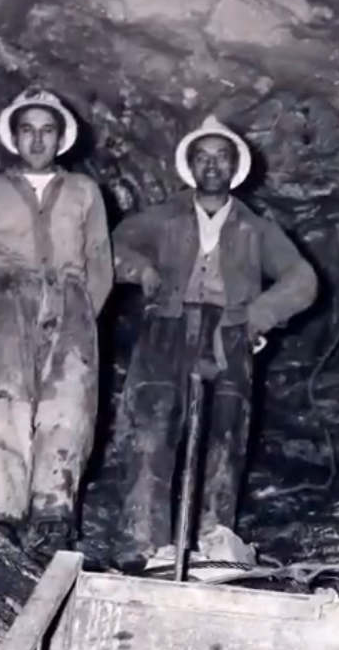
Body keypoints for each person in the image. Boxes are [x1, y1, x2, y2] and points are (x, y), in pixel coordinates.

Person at [110, 115, 318, 572]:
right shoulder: (162, 218)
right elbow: (110, 245)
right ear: (189, 165)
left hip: (229, 333)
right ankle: (142, 542)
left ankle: (213, 541)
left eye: (221, 157)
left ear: (234, 166)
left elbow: (302, 279)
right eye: (202, 157)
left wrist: (259, 316)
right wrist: (142, 271)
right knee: (151, 427)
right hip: (166, 327)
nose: (211, 165)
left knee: (225, 433)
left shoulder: (255, 228)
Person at [0, 86, 112, 556]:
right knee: (4, 402)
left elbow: (100, 261)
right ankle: (1, 511)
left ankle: (53, 515)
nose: (37, 140)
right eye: (28, 130)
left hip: (71, 300)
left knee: (68, 405)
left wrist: (83, 318)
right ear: (13, 137)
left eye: (47, 131)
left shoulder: (84, 191)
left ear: (61, 138)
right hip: (6, 299)